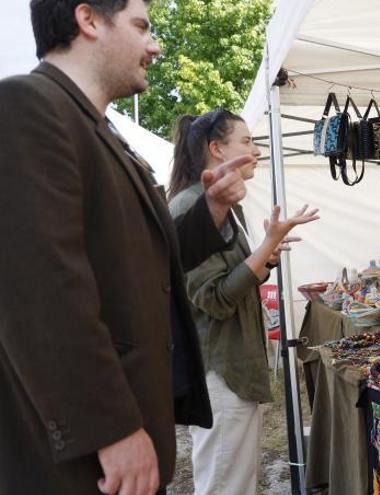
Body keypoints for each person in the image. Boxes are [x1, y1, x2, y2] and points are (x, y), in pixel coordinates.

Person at [0, 1, 254, 493]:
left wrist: (212, 211)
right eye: (141, 27)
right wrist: (110, 427)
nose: (155, 46)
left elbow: (145, 265)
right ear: (88, 19)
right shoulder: (26, 107)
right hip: (79, 458)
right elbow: (38, 290)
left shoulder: (103, 134)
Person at [167, 108, 319, 495]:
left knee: (236, 484)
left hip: (233, 368)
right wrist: (266, 246)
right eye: (247, 141)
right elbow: (216, 300)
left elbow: (234, 280)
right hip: (219, 371)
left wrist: (264, 257)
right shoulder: (191, 208)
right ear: (217, 149)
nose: (256, 150)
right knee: (224, 487)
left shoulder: (219, 208)